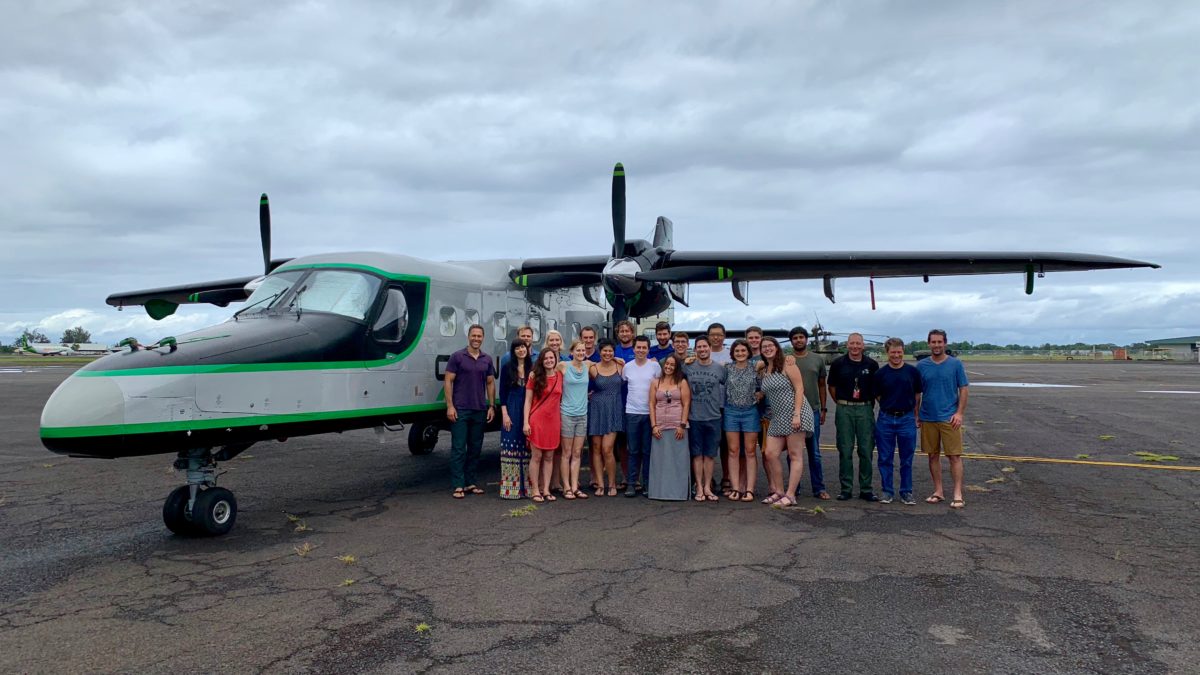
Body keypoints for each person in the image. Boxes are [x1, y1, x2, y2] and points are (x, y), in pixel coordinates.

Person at [757, 337, 813, 507]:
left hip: (796, 412)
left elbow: (799, 388)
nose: (767, 349)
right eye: (764, 347)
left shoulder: (788, 364)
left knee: (795, 455)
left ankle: (790, 495)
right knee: (770, 453)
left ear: (777, 347)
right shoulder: (763, 368)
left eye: (770, 346)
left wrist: (796, 414)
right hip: (778, 416)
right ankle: (779, 491)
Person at [917, 329, 970, 509]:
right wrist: (916, 414)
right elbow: (918, 392)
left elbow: (963, 388)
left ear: (945, 343)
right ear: (929, 343)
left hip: (949, 418)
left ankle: (957, 493)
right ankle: (938, 491)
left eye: (940, 342)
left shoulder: (955, 364)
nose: (937, 345)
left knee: (954, 456)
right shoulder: (922, 366)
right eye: (934, 342)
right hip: (928, 417)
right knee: (932, 455)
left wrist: (959, 413)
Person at [444, 324, 496, 499]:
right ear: (468, 336)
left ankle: (471, 483)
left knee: (475, 448)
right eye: (473, 335)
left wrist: (491, 406)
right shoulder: (457, 357)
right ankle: (458, 485)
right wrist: (450, 406)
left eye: (479, 336)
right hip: (460, 410)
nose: (476, 339)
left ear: (483, 338)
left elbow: (490, 383)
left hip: (479, 410)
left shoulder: (486, 359)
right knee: (459, 448)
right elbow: (448, 381)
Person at [829, 333, 881, 501]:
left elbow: (876, 388)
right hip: (845, 409)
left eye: (858, 343)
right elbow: (832, 387)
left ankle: (866, 489)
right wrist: (842, 402)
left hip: (865, 409)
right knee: (845, 450)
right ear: (847, 344)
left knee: (866, 450)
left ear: (863, 345)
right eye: (852, 343)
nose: (855, 346)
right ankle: (846, 488)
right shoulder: (838, 364)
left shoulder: (872, 365)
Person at [874, 337, 922, 505]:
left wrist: (915, 414)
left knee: (906, 458)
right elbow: (878, 395)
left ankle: (906, 492)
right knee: (885, 458)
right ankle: (887, 491)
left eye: (899, 352)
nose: (896, 355)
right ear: (887, 353)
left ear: (903, 352)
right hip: (886, 419)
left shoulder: (912, 372)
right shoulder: (880, 374)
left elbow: (917, 394)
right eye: (893, 352)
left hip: (907, 419)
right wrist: (889, 407)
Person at [788, 327, 831, 500]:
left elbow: (822, 385)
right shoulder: (787, 360)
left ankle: (819, 488)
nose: (798, 340)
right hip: (792, 412)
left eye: (801, 337)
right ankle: (794, 488)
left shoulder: (817, 359)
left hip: (812, 409)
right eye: (795, 338)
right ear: (791, 341)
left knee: (814, 452)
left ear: (806, 339)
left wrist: (823, 408)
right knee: (793, 453)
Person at [684, 337, 726, 501]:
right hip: (694, 417)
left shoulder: (720, 369)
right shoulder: (687, 367)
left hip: (714, 416)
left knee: (709, 455)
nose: (702, 349)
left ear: (709, 348)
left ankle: (708, 487)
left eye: (704, 346)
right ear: (695, 350)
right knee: (697, 455)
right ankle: (699, 487)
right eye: (699, 347)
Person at [621, 336, 660, 497]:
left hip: (650, 414)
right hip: (632, 413)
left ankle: (648, 485)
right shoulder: (627, 367)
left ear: (648, 350)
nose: (641, 350)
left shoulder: (655, 367)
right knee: (633, 450)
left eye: (644, 348)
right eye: (638, 347)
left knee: (647, 451)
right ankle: (631, 484)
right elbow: (624, 382)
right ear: (634, 349)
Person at [723, 339, 761, 502]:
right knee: (733, 451)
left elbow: (764, 384)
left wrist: (761, 394)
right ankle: (736, 487)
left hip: (750, 412)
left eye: (743, 351)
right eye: (737, 351)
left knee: (750, 451)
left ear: (748, 352)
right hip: (731, 411)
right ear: (732, 353)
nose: (740, 353)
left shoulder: (757, 367)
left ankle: (750, 489)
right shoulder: (727, 368)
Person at [649, 354, 691, 500]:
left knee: (677, 460)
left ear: (676, 367)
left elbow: (686, 404)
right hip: (659, 426)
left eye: (672, 365)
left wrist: (682, 425)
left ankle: (678, 493)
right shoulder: (656, 382)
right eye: (667, 364)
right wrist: (653, 426)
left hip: (677, 426)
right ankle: (658, 492)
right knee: (660, 460)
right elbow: (651, 404)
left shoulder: (682, 382)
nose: (668, 367)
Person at [523, 349, 563, 503]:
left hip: (553, 421)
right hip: (537, 420)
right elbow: (527, 401)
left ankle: (545, 489)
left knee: (549, 456)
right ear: (541, 360)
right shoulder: (534, 377)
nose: (549, 360)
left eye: (551, 358)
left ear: (556, 359)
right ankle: (535, 490)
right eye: (545, 358)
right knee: (537, 456)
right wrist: (525, 422)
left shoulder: (560, 376)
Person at [587, 339, 624, 496]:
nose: (607, 353)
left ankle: (612, 484)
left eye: (610, 351)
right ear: (599, 352)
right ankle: (600, 484)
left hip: (614, 409)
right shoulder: (593, 368)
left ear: (613, 352)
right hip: (596, 408)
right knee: (595, 448)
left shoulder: (620, 367)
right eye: (604, 351)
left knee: (607, 449)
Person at [557, 340, 591, 500]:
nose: (581, 353)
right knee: (566, 453)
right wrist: (533, 373)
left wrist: (620, 361)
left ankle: (575, 486)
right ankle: (567, 487)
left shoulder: (589, 365)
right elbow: (545, 368)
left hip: (582, 414)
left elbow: (610, 361)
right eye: (578, 350)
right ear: (572, 352)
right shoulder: (563, 366)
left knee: (577, 453)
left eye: (583, 350)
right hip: (567, 414)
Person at [498, 341, 533, 499]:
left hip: (528, 409)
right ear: (513, 351)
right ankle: (511, 489)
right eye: (518, 348)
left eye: (523, 347)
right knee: (511, 444)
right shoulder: (507, 368)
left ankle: (528, 487)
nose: (521, 350)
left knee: (526, 447)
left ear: (527, 350)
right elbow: (502, 393)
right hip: (511, 407)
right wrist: (505, 414)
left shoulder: (532, 369)